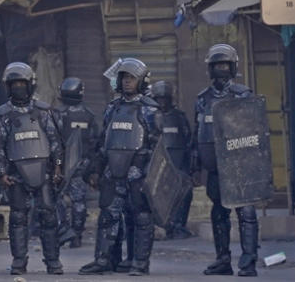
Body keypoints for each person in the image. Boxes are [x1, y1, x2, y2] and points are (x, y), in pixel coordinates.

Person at [79, 58, 161, 276]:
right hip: (113, 171)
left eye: (132, 78)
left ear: (142, 80)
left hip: (138, 173)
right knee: (108, 215)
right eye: (124, 78)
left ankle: (140, 263)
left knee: (141, 217)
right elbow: (102, 142)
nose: (127, 82)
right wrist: (95, 169)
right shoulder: (112, 108)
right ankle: (103, 260)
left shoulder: (150, 110)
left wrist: (148, 175)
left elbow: (158, 147)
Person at [191, 44, 259, 276]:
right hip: (215, 167)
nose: (221, 69)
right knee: (219, 213)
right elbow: (196, 133)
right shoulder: (202, 99)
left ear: (232, 67)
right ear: (210, 68)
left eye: (225, 65)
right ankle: (223, 260)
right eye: (217, 65)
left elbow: (255, 130)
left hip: (239, 166)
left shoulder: (243, 95)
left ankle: (249, 262)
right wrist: (196, 166)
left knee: (246, 213)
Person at [0, 62, 64, 276]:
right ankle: (19, 262)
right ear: (8, 86)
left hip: (44, 172)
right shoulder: (2, 115)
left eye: (22, 83)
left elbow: (55, 143)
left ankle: (53, 262)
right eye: (14, 84)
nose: (18, 88)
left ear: (30, 84)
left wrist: (58, 168)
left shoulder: (43, 112)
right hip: (16, 174)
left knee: (49, 217)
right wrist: (1, 173)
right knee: (18, 219)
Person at [54, 77, 98, 249]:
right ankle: (76, 235)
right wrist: (92, 169)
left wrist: (56, 164)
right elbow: (95, 143)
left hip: (62, 163)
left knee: (56, 198)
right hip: (82, 164)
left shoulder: (58, 114)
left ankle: (64, 230)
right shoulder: (89, 115)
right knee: (79, 201)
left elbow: (54, 142)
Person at [150, 80, 193, 240]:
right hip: (155, 166)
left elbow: (188, 141)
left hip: (178, 165)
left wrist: (190, 168)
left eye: (164, 99)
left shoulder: (179, 117)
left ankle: (178, 225)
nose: (162, 103)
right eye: (158, 99)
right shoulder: (149, 117)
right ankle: (157, 225)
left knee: (185, 190)